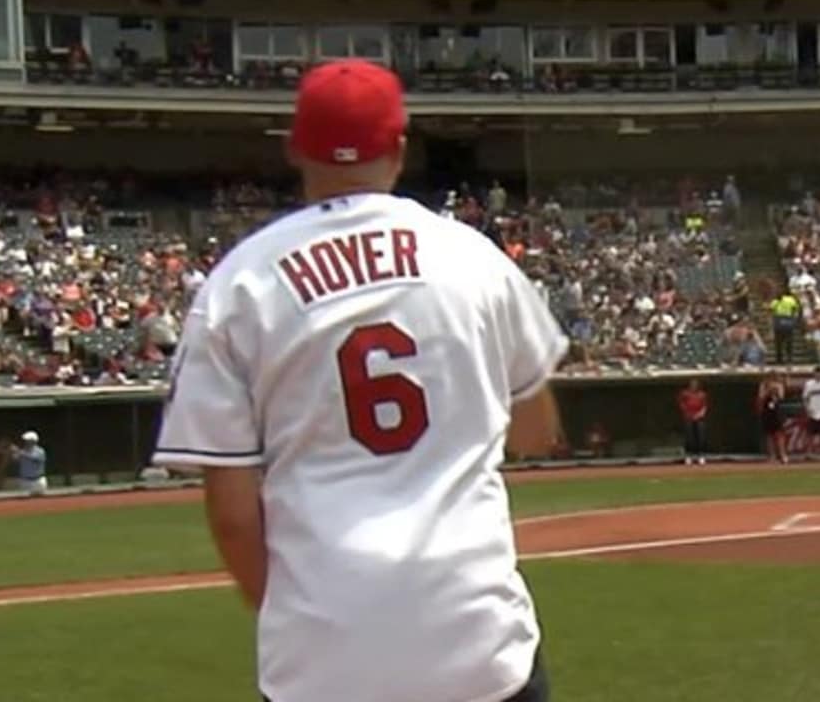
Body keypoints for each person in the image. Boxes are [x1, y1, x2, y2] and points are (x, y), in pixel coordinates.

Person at [150, 60, 561, 702]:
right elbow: (538, 432)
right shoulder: (474, 257)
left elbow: (232, 514)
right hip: (475, 638)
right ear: (399, 149)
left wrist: (302, 619)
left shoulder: (240, 282)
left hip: (321, 652)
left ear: (295, 147)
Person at [756, 375, 788, 464]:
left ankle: (782, 455)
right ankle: (772, 456)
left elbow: (781, 397)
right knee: (769, 435)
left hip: (776, 412)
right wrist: (768, 390)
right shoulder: (763, 385)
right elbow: (761, 397)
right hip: (767, 412)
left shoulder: (779, 385)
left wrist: (776, 389)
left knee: (779, 434)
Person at [678, 378, 708, 465]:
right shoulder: (685, 393)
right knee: (689, 437)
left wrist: (700, 414)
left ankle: (701, 456)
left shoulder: (702, 394)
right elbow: (682, 404)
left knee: (701, 437)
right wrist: (688, 414)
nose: (694, 386)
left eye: (695, 384)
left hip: (699, 418)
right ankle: (688, 456)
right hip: (688, 417)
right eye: (692, 384)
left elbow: (705, 406)